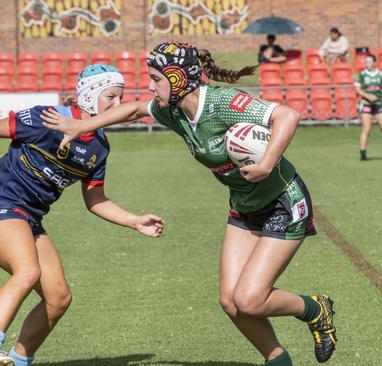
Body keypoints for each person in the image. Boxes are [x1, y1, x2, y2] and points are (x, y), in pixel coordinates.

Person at [40, 42, 337, 366]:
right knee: (230, 301)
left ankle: (315, 308)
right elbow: (135, 109)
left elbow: (288, 115)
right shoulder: (173, 111)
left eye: (156, 78)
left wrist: (266, 163)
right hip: (244, 204)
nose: (150, 86)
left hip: (284, 201)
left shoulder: (221, 103)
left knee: (249, 300)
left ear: (178, 79)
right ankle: (278, 359)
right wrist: (82, 125)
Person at [0, 64, 165, 366]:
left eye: (120, 98)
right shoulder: (49, 119)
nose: (117, 105)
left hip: (29, 217)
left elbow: (95, 199)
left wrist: (133, 220)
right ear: (89, 94)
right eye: (110, 97)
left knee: (58, 298)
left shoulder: (99, 146)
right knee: (28, 271)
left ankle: (18, 361)